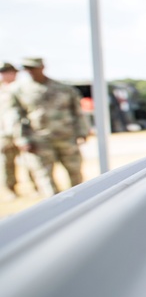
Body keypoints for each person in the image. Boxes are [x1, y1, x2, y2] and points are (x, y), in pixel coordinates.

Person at [10, 58, 89, 197]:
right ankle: (54, 205)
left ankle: (80, 199)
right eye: (26, 68)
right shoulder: (19, 91)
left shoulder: (64, 88)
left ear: (42, 67)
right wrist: (22, 139)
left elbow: (77, 112)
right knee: (43, 176)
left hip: (66, 137)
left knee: (75, 172)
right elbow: (16, 117)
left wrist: (82, 131)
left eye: (33, 67)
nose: (30, 71)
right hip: (39, 140)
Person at [0, 62, 26, 201]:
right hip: (4, 133)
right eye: (4, 72)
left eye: (10, 72)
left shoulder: (23, 88)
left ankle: (36, 187)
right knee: (7, 163)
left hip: (24, 132)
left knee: (31, 162)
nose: (7, 74)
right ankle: (11, 189)